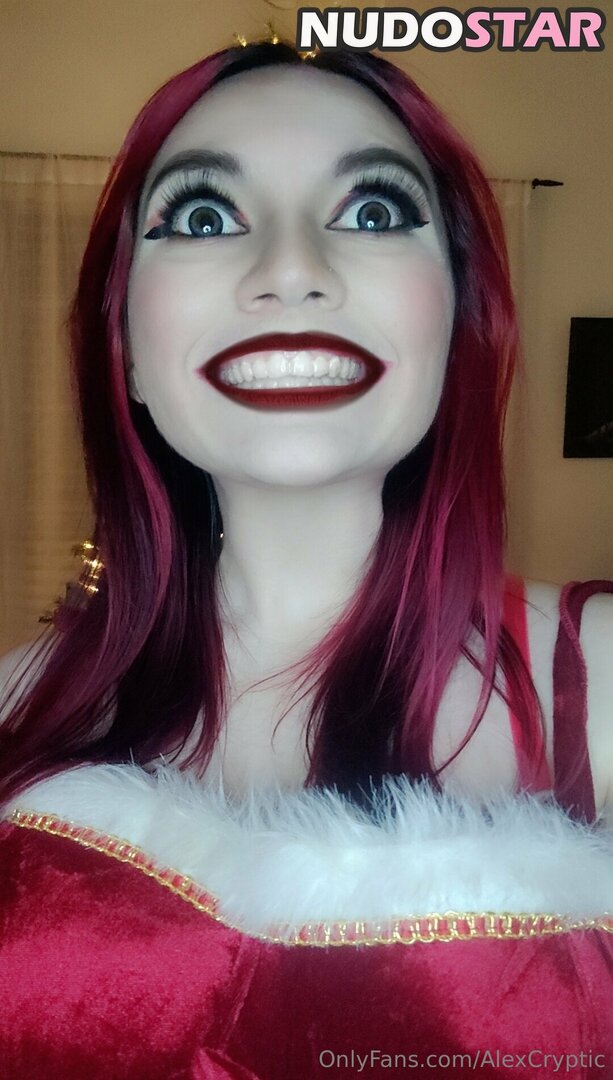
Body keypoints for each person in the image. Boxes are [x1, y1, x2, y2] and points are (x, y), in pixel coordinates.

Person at [0, 38, 611, 1080]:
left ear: (458, 317)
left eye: (371, 211)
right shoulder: (19, 703)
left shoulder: (595, 681)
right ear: (127, 348)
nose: (290, 270)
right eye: (203, 217)